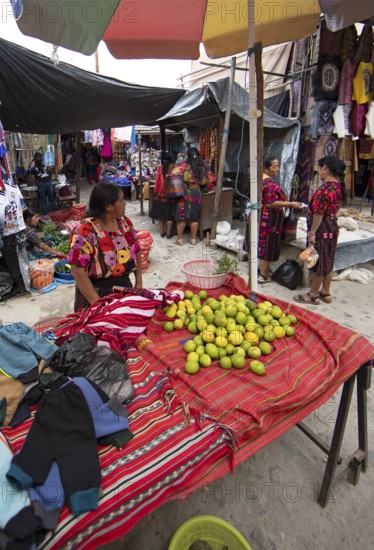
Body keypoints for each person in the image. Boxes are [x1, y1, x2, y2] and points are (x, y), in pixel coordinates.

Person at [68, 182, 143, 311]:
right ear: (108, 206)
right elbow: (77, 270)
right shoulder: (85, 230)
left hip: (124, 290)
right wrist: (97, 304)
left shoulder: (124, 223)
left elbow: (136, 251)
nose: (124, 203)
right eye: (121, 200)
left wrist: (139, 284)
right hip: (95, 294)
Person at [294, 156, 345, 305]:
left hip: (322, 228)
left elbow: (319, 213)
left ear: (326, 168)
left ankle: (313, 294)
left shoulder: (325, 189)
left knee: (317, 261)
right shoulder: (337, 186)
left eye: (320, 167)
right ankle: (325, 291)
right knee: (328, 259)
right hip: (332, 227)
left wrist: (312, 233)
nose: (318, 171)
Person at [258, 155, 303, 283]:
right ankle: (263, 275)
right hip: (269, 219)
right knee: (267, 245)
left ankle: (261, 271)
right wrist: (290, 204)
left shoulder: (259, 179)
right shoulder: (268, 183)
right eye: (274, 166)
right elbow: (271, 203)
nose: (277, 169)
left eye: (277, 166)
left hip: (262, 217)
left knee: (262, 244)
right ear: (266, 168)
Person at [175, 147, 208, 246]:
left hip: (183, 193)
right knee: (194, 218)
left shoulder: (185, 165)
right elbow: (206, 181)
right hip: (196, 193)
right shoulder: (202, 168)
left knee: (181, 217)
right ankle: (193, 240)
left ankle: (180, 240)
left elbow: (173, 172)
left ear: (188, 156)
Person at [150, 152, 179, 238]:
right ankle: (169, 234)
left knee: (161, 215)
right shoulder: (175, 168)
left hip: (160, 195)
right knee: (169, 216)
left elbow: (157, 181)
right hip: (170, 195)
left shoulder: (160, 168)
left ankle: (162, 232)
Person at [29, 152, 58, 218]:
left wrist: (35, 182)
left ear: (34, 160)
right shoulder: (45, 166)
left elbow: (32, 179)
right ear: (42, 159)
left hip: (41, 184)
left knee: (43, 200)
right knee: (52, 199)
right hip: (49, 183)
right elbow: (50, 174)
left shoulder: (33, 168)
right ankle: (56, 213)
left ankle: (45, 215)